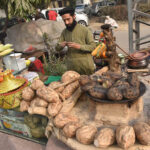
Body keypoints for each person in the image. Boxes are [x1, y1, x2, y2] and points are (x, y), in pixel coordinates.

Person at [56, 7, 96, 75]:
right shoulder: (64, 32)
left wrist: (79, 46)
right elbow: (57, 48)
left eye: (68, 19)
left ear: (74, 16)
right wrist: (61, 45)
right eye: (64, 20)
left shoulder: (85, 30)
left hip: (86, 68)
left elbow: (93, 47)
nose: (66, 22)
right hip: (72, 69)